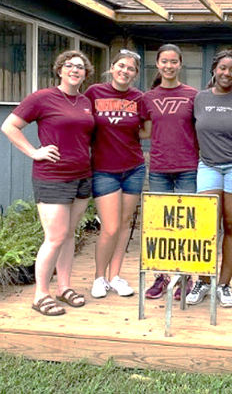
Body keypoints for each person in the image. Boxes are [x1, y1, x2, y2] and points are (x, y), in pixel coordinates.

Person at [1, 50, 95, 316]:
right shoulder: (42, 98)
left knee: (68, 235)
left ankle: (64, 287)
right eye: (69, 65)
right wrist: (34, 151)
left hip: (81, 175)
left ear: (85, 73)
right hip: (52, 176)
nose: (75, 70)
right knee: (54, 237)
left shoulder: (86, 102)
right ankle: (40, 294)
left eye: (80, 67)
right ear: (59, 70)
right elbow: (9, 126)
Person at [187, 50, 232, 308]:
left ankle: (224, 284)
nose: (227, 73)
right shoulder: (200, 98)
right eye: (223, 68)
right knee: (204, 225)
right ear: (214, 69)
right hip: (209, 166)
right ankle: (203, 281)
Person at [84, 50, 145, 299]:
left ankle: (115, 276)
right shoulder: (94, 93)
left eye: (130, 69)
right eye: (121, 66)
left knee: (123, 225)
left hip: (134, 167)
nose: (125, 71)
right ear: (112, 67)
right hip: (104, 170)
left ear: (135, 74)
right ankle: (99, 277)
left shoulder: (139, 98)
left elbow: (146, 129)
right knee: (109, 227)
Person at [140, 44, 199, 301]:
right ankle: (162, 276)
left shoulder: (193, 95)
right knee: (161, 226)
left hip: (188, 167)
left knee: (187, 226)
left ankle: (185, 277)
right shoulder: (148, 98)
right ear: (158, 63)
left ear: (180, 64)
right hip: (159, 169)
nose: (169, 66)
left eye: (174, 61)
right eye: (164, 61)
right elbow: (144, 130)